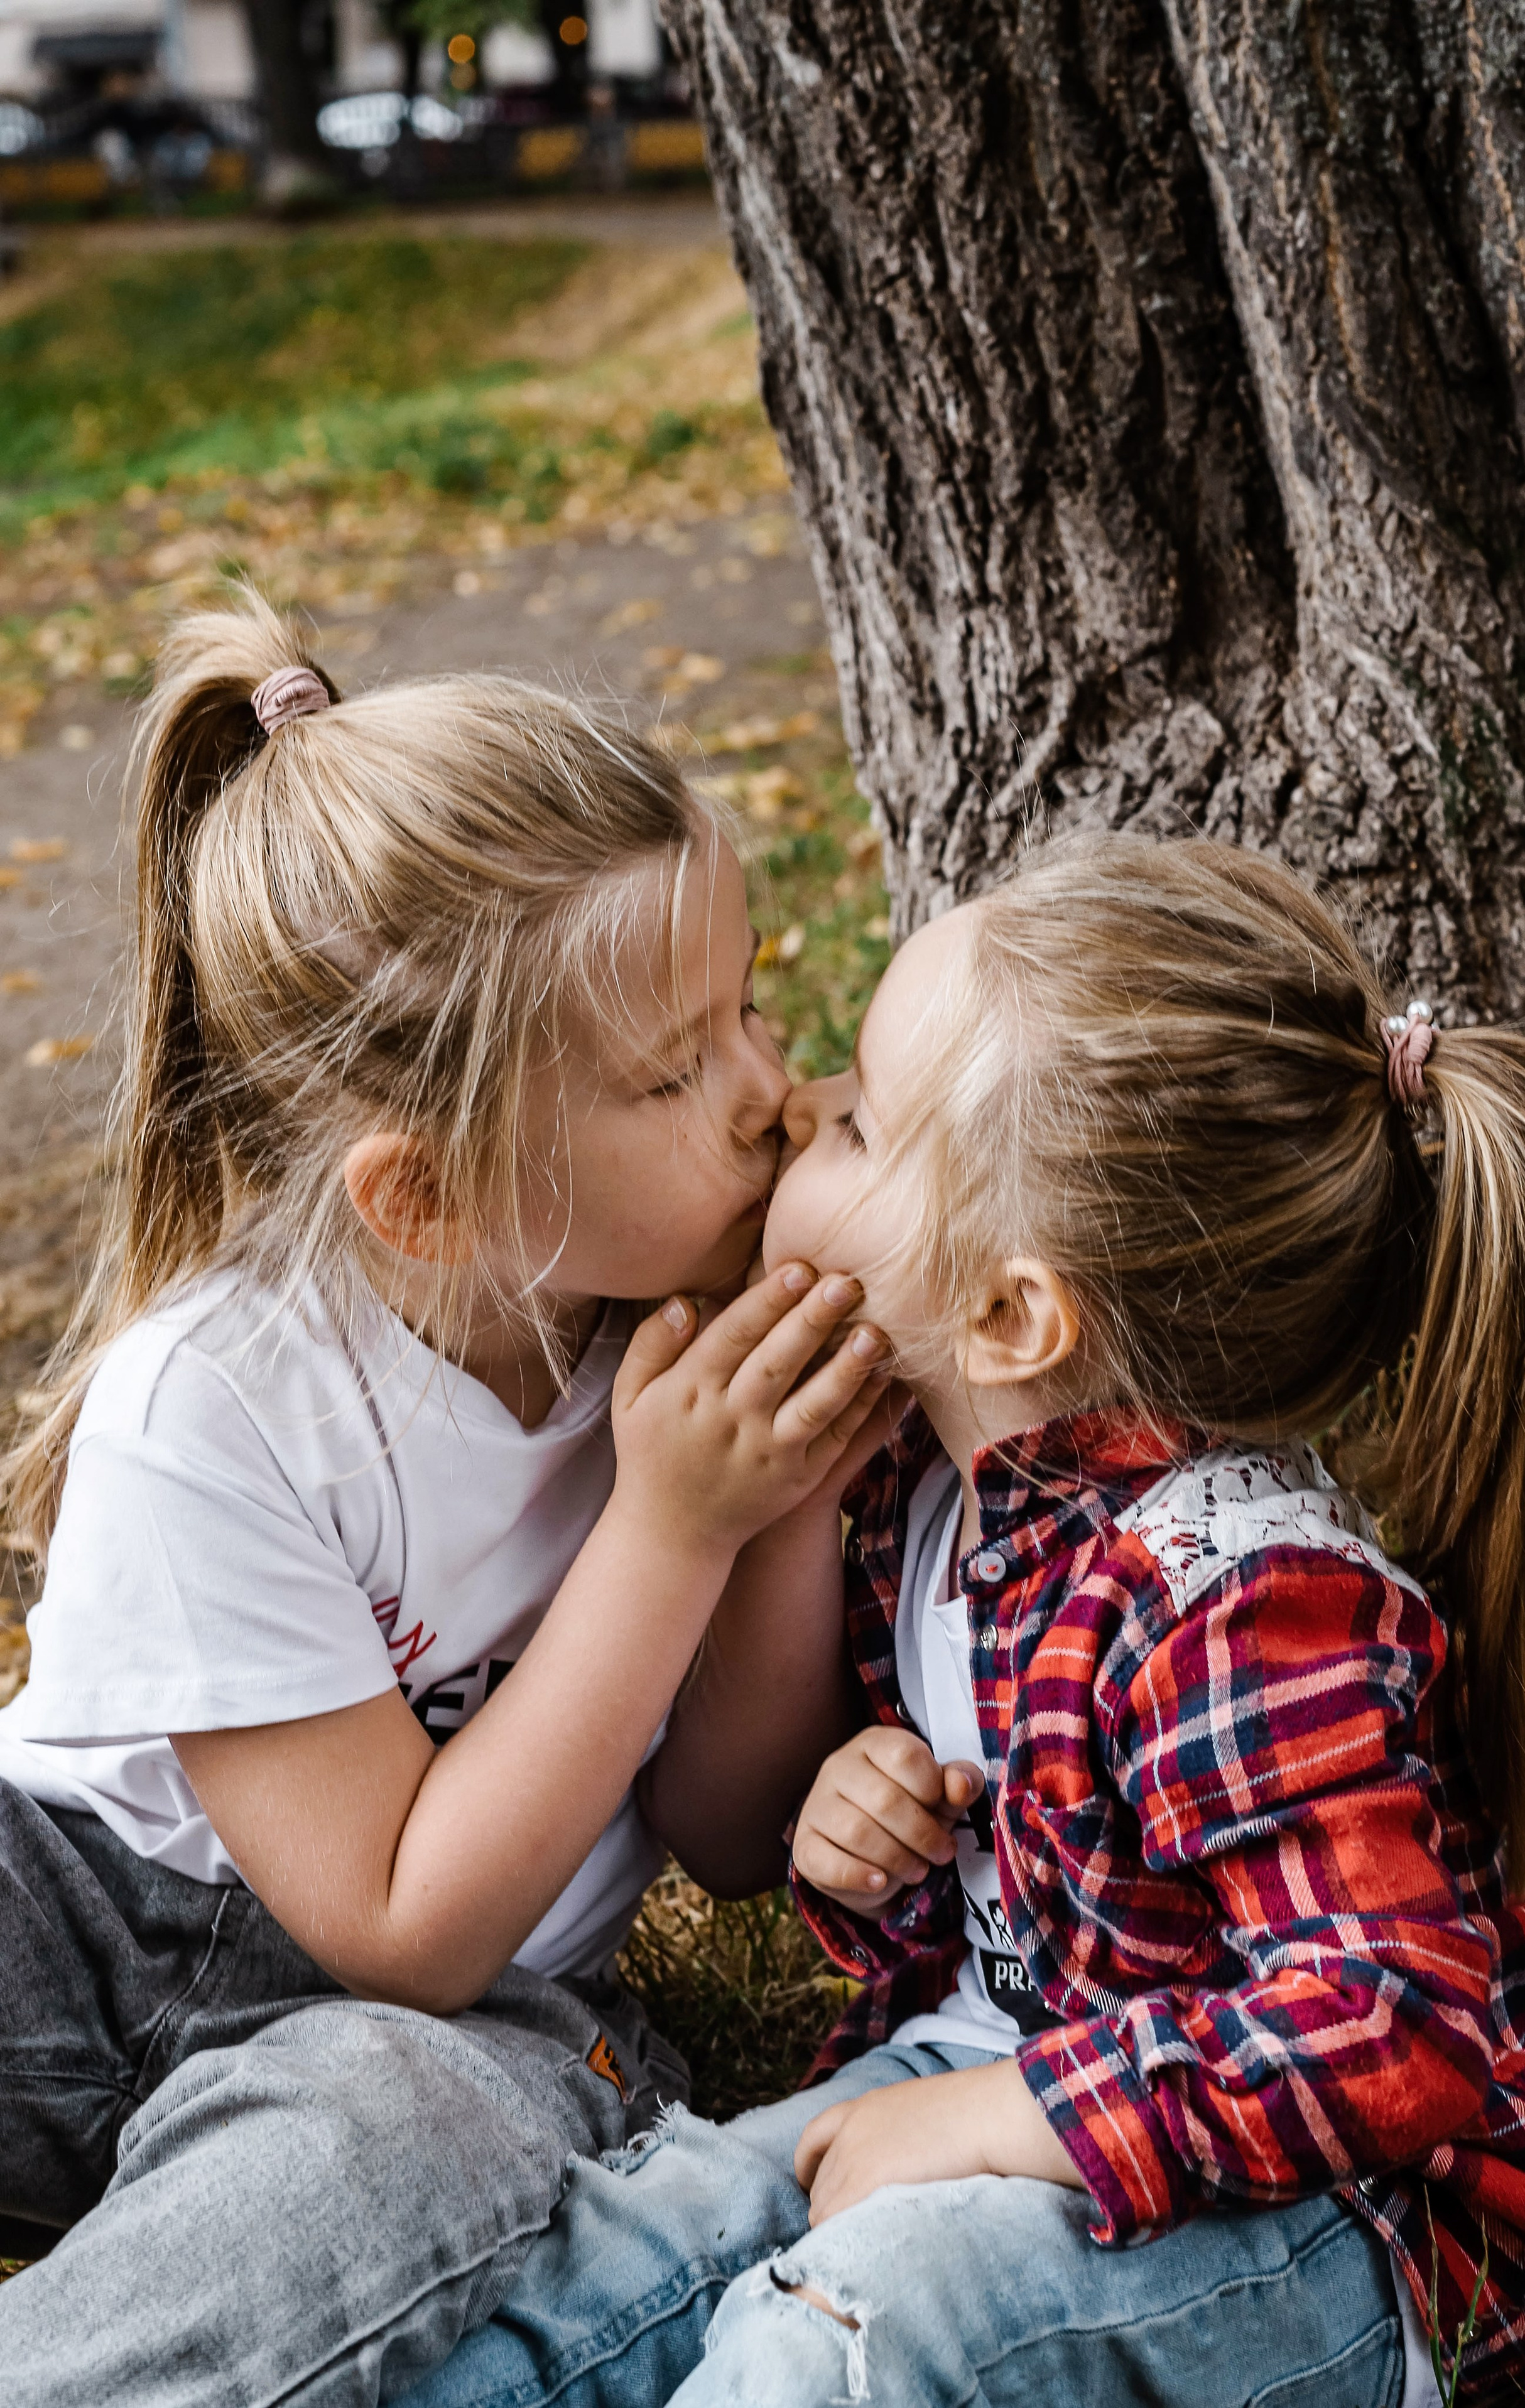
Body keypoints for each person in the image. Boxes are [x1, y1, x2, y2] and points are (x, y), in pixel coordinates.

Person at [412, 832, 1525, 2408]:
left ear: (1006, 1314)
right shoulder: (929, 1479)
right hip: (996, 2073)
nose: (799, 1116)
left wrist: (989, 2119)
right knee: (634, 2248)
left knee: (845, 2337)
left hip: (1325, 2225)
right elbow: (909, 1856)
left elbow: (1384, 2031)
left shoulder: (1231, 1598)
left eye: (865, 1119)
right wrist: (865, 1808)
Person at [0, 595, 892, 2407]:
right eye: (671, 1068)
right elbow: (390, 1895)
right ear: (429, 1197)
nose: (760, 1093)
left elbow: (712, 1839)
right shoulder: (219, 1402)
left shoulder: (683, 1321)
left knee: (404, 2139)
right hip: (93, 1911)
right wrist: (667, 1525)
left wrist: (775, 1498)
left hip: (460, 2031)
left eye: (747, 1008)